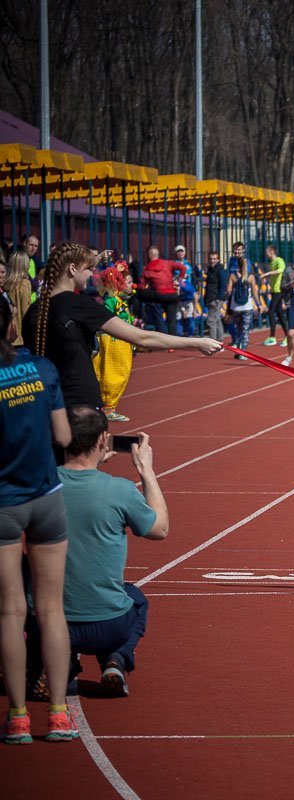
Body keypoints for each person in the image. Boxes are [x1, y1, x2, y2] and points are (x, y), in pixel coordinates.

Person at [26, 409, 167, 699]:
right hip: (107, 626)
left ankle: (48, 664)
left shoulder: (36, 485)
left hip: (45, 622)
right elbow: (160, 529)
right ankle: (116, 658)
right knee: (136, 599)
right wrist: (147, 471)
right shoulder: (119, 490)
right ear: (104, 440)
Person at [22, 242, 223, 413]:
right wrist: (197, 342)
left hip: (46, 400)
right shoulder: (79, 305)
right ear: (72, 269)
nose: (92, 274)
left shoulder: (34, 310)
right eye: (89, 269)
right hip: (80, 400)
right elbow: (142, 338)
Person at [0, 298, 76, 744]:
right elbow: (64, 435)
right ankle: (60, 713)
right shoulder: (42, 368)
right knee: (51, 609)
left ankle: (17, 717)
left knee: (10, 611)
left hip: (4, 503)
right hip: (45, 495)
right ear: (10, 325)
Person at [92, 263, 138, 422]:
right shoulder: (111, 301)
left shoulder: (120, 299)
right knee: (113, 373)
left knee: (120, 373)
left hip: (122, 341)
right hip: (114, 341)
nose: (132, 285)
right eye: (128, 282)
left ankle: (108, 406)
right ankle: (108, 407)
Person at [138, 247, 186, 335]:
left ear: (149, 256)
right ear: (158, 255)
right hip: (172, 294)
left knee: (158, 315)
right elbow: (183, 268)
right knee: (171, 320)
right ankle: (172, 341)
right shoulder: (167, 263)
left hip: (159, 295)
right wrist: (179, 280)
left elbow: (141, 286)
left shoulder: (147, 269)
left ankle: (140, 316)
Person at [225, 257, 264, 359]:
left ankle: (238, 350)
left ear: (237, 265)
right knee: (245, 330)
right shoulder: (250, 277)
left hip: (235, 307)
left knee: (238, 329)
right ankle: (244, 352)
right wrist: (259, 304)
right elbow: (255, 292)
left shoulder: (232, 276)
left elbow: (228, 291)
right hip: (247, 307)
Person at [260, 244, 288, 346]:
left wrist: (267, 274)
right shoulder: (271, 263)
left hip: (279, 290)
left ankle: (272, 337)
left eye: (267, 252)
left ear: (272, 252)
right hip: (274, 290)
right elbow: (274, 276)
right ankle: (287, 336)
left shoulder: (279, 260)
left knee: (271, 311)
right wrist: (266, 278)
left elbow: (281, 270)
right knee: (279, 313)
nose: (265, 254)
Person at [3, 251, 32, 347]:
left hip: (7, 334)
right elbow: (25, 311)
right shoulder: (24, 284)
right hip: (20, 336)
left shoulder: (5, 283)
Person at [202, 250, 228, 342]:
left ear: (218, 259)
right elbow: (208, 285)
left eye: (214, 259)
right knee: (216, 319)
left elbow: (223, 285)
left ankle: (212, 341)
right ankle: (220, 340)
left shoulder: (220, 270)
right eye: (211, 259)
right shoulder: (210, 269)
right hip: (211, 297)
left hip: (216, 298)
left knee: (211, 321)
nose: (212, 261)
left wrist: (219, 298)